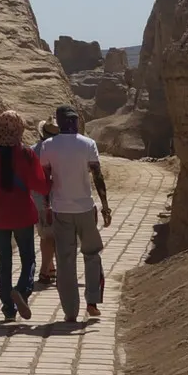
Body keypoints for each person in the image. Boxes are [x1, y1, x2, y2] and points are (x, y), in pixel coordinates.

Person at [38, 103, 112, 325]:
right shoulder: (88, 144)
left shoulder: (48, 146)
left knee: (66, 261)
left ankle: (70, 311)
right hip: (86, 209)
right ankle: (92, 301)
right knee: (92, 254)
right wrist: (105, 206)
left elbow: (45, 179)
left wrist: (46, 205)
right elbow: (98, 176)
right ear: (76, 121)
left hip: (61, 210)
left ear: (59, 122)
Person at [0, 111, 48, 325]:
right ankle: (21, 291)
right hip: (23, 214)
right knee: (28, 258)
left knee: (4, 261)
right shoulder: (26, 155)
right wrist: (51, 184)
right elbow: (39, 184)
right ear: (19, 130)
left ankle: (8, 308)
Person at [35, 117, 60, 289]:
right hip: (58, 198)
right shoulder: (60, 152)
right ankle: (46, 270)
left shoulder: (33, 151)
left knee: (45, 235)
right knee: (54, 236)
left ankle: (49, 268)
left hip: (38, 198)